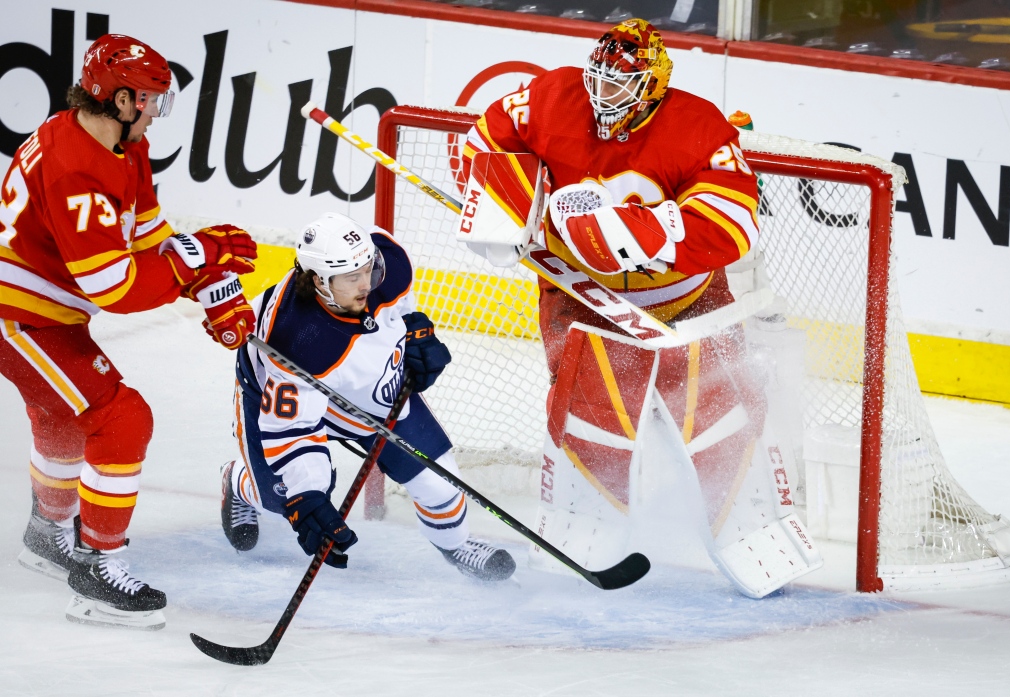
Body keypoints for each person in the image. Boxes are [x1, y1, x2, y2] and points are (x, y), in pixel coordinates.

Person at [461, 20, 769, 588]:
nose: (603, 93)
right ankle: (582, 530)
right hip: (581, 299)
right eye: (598, 77)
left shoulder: (698, 125)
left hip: (688, 300)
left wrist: (637, 233)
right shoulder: (554, 97)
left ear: (652, 85)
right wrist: (508, 203)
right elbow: (487, 137)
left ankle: (755, 528)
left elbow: (737, 223)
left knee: (721, 412)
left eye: (621, 83)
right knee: (590, 414)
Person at [0, 34, 258, 629]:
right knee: (121, 418)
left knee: (64, 414)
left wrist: (208, 284)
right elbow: (114, 288)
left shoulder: (120, 143)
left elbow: (148, 237)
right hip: (19, 318)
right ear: (118, 98)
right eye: (150, 100)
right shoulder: (75, 170)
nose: (156, 112)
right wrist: (199, 258)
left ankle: (46, 535)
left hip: (49, 313)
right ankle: (95, 569)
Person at [223, 211, 516, 582]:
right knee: (281, 497)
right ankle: (237, 481)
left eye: (368, 269)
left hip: (368, 385)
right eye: (352, 277)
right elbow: (294, 429)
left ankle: (456, 545)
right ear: (318, 281)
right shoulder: (295, 339)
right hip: (276, 391)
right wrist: (307, 495)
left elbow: (402, 310)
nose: (367, 283)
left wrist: (415, 334)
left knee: (439, 484)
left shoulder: (387, 264)